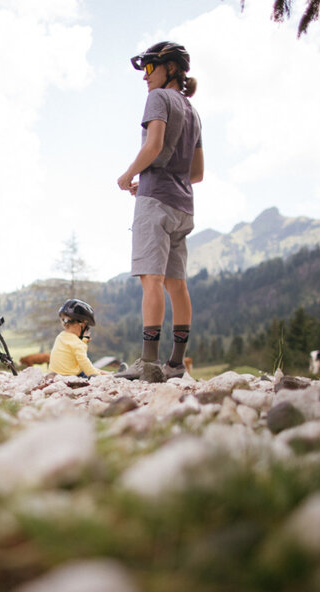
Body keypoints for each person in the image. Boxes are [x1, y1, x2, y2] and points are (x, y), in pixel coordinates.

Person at [115, 41, 203, 382]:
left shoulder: (158, 99)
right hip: (183, 206)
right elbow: (196, 174)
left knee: (150, 279)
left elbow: (153, 145)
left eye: (150, 68)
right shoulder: (193, 112)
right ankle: (176, 364)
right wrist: (156, 175)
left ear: (169, 68)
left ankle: (148, 363)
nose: (145, 77)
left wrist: (128, 176)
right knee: (176, 284)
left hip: (155, 203)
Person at [49, 298, 104, 378]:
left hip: (55, 374)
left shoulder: (61, 336)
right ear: (82, 324)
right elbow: (84, 363)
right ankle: (112, 375)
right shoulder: (77, 344)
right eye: (86, 327)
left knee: (91, 369)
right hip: (69, 376)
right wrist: (95, 376)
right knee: (92, 370)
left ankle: (111, 374)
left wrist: (84, 341)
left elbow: (72, 348)